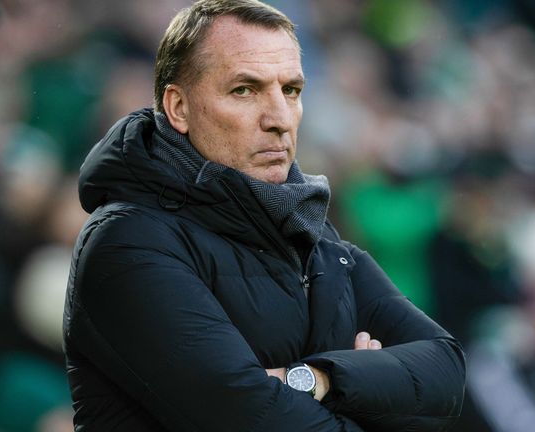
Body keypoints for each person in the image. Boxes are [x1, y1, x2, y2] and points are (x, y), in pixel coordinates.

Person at [62, 0, 466, 430]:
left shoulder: (312, 233)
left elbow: (446, 370)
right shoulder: (127, 242)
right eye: (245, 90)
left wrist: (320, 378)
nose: (279, 119)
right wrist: (378, 393)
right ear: (179, 108)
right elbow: (251, 418)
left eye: (290, 90)